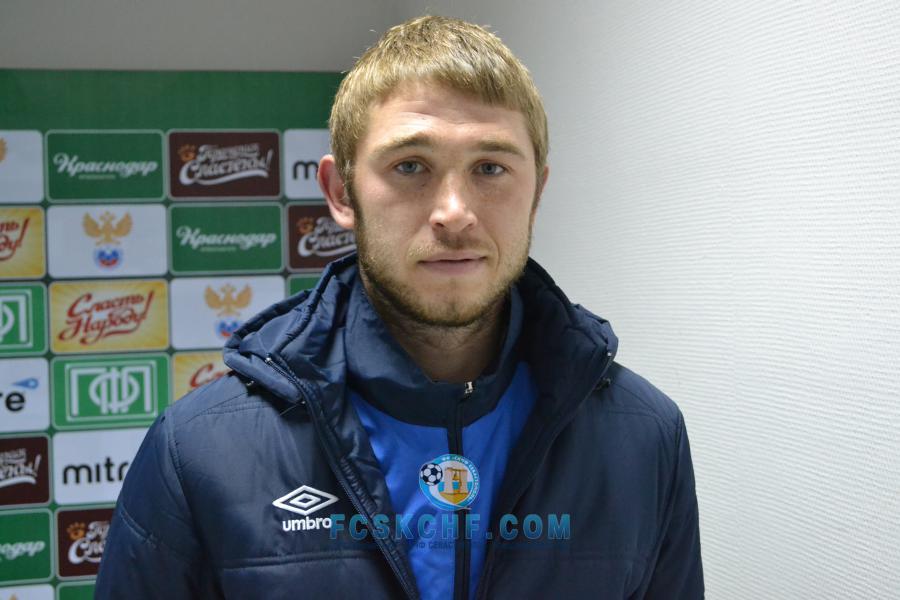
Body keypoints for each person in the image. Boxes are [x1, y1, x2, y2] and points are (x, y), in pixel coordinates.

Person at [96, 15, 703, 600]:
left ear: (536, 193)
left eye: (491, 168)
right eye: (410, 166)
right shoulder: (201, 450)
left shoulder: (644, 437)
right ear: (341, 193)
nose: (454, 213)